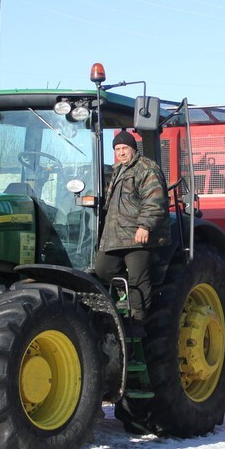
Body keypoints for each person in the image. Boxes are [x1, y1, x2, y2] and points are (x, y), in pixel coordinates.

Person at [95, 129, 171, 325]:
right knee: (103, 269)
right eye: (117, 149)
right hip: (115, 235)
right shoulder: (117, 170)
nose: (121, 152)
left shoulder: (146, 169)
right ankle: (128, 294)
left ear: (133, 149)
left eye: (124, 148)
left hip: (137, 235)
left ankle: (138, 319)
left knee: (139, 278)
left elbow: (155, 199)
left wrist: (144, 226)